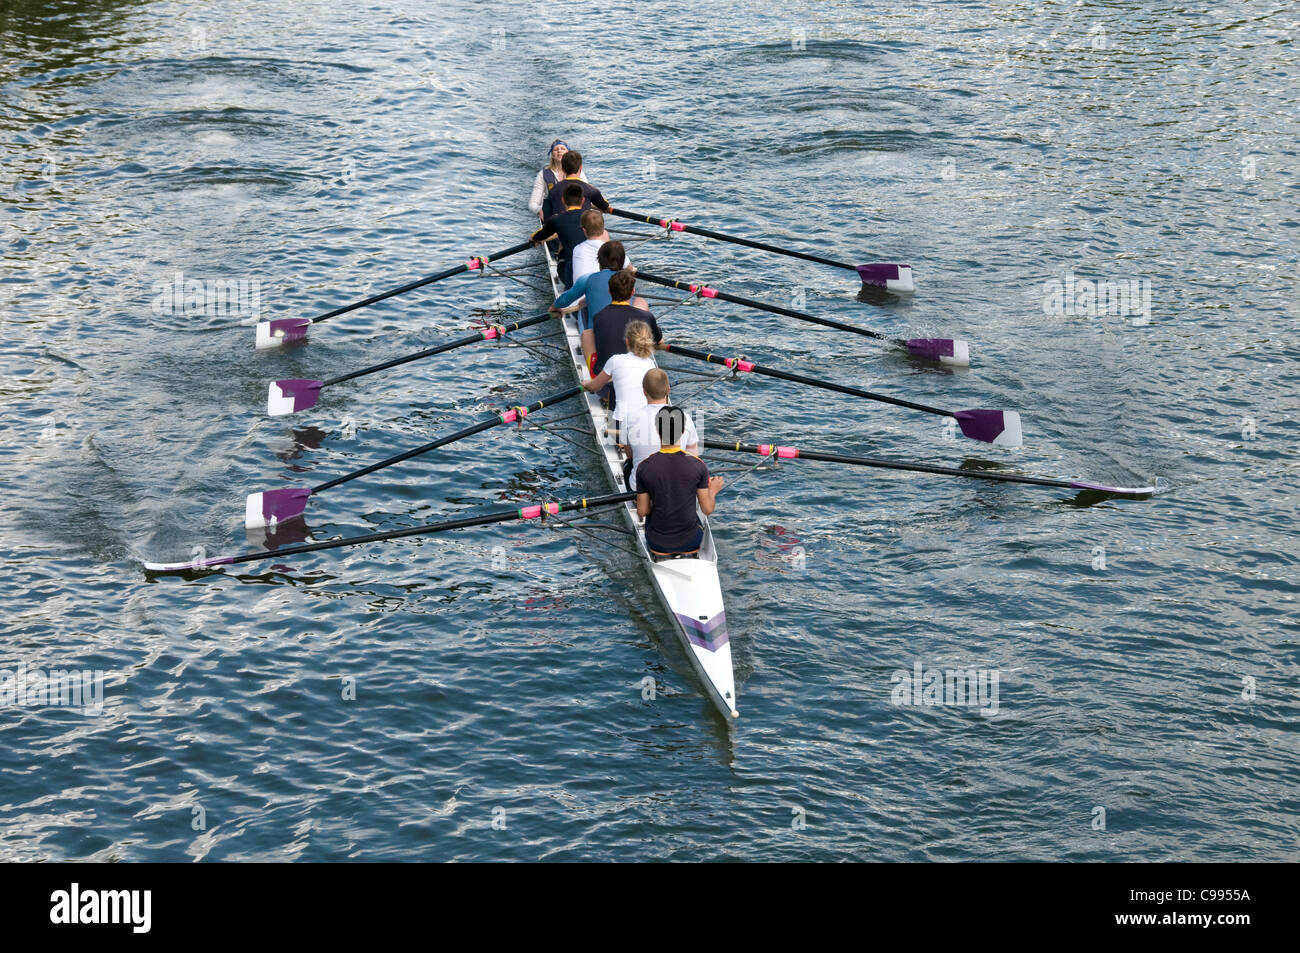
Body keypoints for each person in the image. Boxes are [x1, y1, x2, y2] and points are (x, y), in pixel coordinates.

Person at [635, 406, 723, 557]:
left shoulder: (644, 467)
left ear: (657, 431)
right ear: (683, 432)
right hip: (691, 542)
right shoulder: (698, 465)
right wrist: (712, 491)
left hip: (657, 542)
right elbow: (707, 509)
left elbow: (642, 511)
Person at [622, 367, 699, 491]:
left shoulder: (629, 418)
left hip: (643, 490)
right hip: (676, 490)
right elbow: (694, 457)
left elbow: (629, 454)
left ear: (644, 392)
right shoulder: (685, 418)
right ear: (668, 390)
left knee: (628, 464)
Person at [589, 269, 663, 387]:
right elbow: (658, 339)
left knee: (587, 334)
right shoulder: (646, 316)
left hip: (603, 378)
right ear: (633, 292)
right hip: (634, 375)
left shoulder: (598, 316)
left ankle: (594, 379)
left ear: (609, 291)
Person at [583, 320, 657, 429]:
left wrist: (586, 384)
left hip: (621, 427)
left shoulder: (615, 360)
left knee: (613, 389)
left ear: (627, 341)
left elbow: (595, 387)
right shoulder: (651, 365)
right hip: (645, 425)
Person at [530, 182, 587, 287]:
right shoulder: (593, 218)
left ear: (563, 200)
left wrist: (533, 238)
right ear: (583, 200)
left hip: (570, 277)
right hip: (592, 273)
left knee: (561, 254)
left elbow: (540, 235)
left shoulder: (556, 219)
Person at [527, 139, 585, 224]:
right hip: (552, 214)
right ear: (552, 155)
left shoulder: (578, 172)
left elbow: (587, 194)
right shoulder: (543, 174)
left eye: (562, 148)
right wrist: (538, 210)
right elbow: (532, 203)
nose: (559, 151)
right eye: (555, 149)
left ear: (568, 152)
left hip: (574, 213)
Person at [543, 150, 611, 220]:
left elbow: (547, 214)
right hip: (583, 228)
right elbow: (605, 206)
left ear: (562, 169)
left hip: (559, 228)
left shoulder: (553, 190)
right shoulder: (591, 190)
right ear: (581, 168)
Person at [570, 209, 626, 286]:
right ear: (603, 229)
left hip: (580, 294)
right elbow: (631, 269)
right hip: (602, 291)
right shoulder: (613, 250)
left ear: (584, 230)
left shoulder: (577, 249)